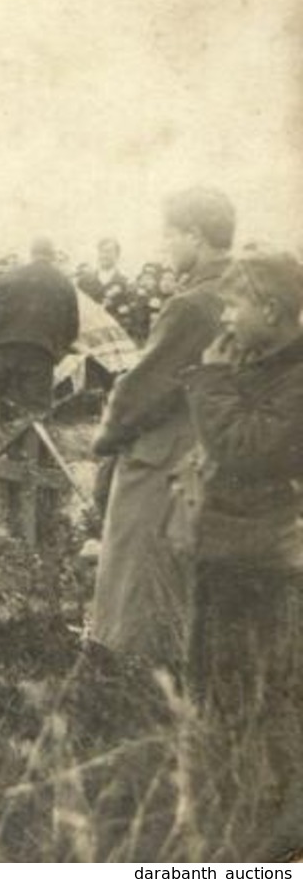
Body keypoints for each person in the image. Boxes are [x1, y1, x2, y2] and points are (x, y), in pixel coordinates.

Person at [91, 188, 235, 671]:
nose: (166, 247)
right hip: (225, 450)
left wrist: (107, 440)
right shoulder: (251, 292)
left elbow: (145, 387)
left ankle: (134, 675)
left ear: (195, 235)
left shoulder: (191, 305)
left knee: (137, 571)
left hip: (169, 452)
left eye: (170, 235)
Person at [173, 253, 303, 712]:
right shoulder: (257, 361)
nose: (224, 317)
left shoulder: (293, 378)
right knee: (214, 684)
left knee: (250, 695)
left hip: (261, 558)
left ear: (269, 310)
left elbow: (246, 449)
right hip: (229, 547)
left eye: (232, 305)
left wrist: (210, 379)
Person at [0, 237, 80, 418]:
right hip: (40, 350)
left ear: (32, 253)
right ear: (52, 256)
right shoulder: (63, 282)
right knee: (36, 407)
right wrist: (60, 349)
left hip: (3, 347)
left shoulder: (11, 276)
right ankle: (32, 441)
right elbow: (72, 324)